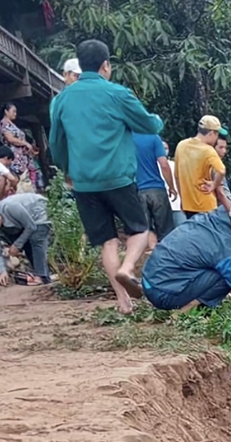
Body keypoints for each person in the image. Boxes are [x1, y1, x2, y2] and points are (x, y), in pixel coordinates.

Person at [49, 39, 164, 314]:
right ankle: (127, 267)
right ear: (106, 65)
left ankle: (123, 303)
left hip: (84, 183)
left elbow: (56, 143)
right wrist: (157, 120)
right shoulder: (116, 93)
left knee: (107, 241)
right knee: (139, 230)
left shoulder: (62, 99)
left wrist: (67, 171)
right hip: (118, 178)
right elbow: (148, 124)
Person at [139, 202, 231, 352]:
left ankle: (191, 304)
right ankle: (183, 313)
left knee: (219, 270)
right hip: (162, 294)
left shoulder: (209, 219)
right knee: (227, 278)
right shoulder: (227, 249)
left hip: (148, 280)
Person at [0, 194, 52, 286]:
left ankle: (41, 276)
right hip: (26, 224)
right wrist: (2, 271)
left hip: (39, 212)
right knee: (26, 244)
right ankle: (44, 277)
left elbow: (31, 226)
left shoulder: (10, 207)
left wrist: (17, 245)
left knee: (36, 240)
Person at [175, 116, 231, 218]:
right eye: (217, 133)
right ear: (211, 133)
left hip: (188, 205)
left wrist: (182, 199)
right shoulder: (208, 150)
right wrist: (214, 184)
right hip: (206, 205)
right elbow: (222, 170)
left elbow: (177, 176)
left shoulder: (181, 145)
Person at [134, 133, 176, 248]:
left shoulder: (126, 139)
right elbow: (164, 164)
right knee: (166, 230)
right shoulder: (153, 138)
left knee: (145, 229)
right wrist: (171, 187)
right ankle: (166, 255)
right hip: (157, 189)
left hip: (137, 190)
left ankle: (152, 252)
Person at [0, 102, 41, 191]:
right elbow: (10, 139)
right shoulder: (4, 123)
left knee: (27, 180)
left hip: (23, 158)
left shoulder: (12, 124)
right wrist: (25, 144)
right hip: (15, 158)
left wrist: (30, 148)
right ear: (6, 112)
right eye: (13, 111)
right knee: (19, 181)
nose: (15, 114)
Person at [162, 140, 187, 228]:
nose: (164, 150)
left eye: (166, 148)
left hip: (177, 204)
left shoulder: (175, 165)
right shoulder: (152, 167)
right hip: (162, 205)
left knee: (182, 229)